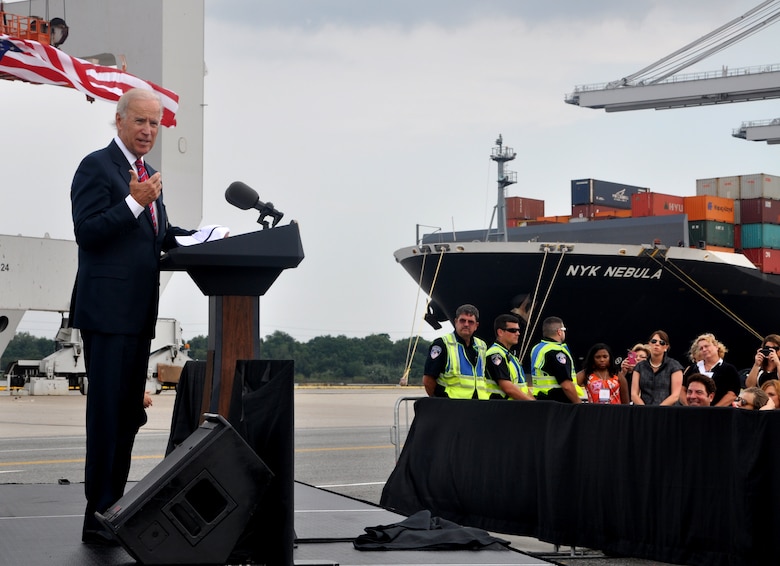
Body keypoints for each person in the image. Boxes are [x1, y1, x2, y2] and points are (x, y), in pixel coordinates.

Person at [70, 88, 194, 545]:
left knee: (124, 415)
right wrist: (134, 202)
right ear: (119, 121)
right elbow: (88, 231)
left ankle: (112, 509)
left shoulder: (147, 176)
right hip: (107, 315)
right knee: (107, 417)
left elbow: (158, 236)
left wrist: (205, 238)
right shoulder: (97, 167)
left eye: (154, 124)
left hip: (139, 314)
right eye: (140, 122)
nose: (147, 131)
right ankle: (97, 514)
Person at [423, 304, 488, 399]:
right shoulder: (442, 344)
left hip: (479, 405)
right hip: (453, 407)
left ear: (476, 326)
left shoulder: (482, 346)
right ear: (456, 322)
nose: (466, 324)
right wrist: (440, 402)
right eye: (462, 320)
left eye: (470, 322)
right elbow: (428, 380)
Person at [679, 333, 740, 407]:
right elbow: (682, 389)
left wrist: (714, 410)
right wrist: (688, 407)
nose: (704, 349)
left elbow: (732, 394)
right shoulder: (692, 369)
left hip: (720, 413)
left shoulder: (729, 369)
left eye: (706, 346)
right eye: (701, 348)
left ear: (716, 347)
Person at [530, 317, 581, 403]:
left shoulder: (537, 348)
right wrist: (579, 404)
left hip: (541, 399)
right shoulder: (556, 352)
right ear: (559, 332)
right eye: (564, 330)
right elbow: (566, 385)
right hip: (558, 402)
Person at [484, 314, 535, 400]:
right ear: (500, 332)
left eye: (518, 330)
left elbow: (523, 386)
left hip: (517, 406)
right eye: (513, 330)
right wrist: (532, 403)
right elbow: (508, 388)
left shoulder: (511, 356)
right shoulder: (495, 354)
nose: (518, 333)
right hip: (503, 407)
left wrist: (535, 403)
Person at [631, 330, 684, 406]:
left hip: (667, 411)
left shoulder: (674, 366)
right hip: (643, 411)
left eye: (661, 342)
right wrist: (645, 410)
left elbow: (675, 396)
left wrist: (658, 410)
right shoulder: (640, 366)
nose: (657, 344)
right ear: (649, 344)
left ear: (666, 347)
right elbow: (634, 394)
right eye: (654, 341)